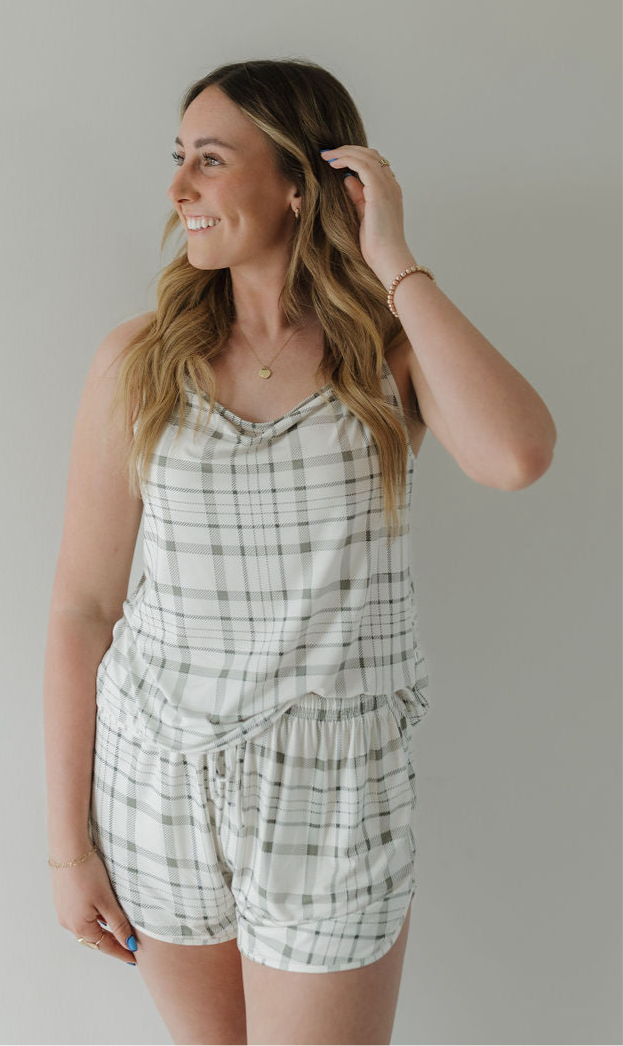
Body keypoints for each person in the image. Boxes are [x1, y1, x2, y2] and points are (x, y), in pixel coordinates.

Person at [44, 58, 556, 1046]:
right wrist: (68, 850)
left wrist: (393, 254)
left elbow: (517, 454)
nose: (177, 188)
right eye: (178, 160)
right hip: (157, 784)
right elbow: (81, 606)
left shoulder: (386, 355)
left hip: (331, 798)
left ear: (297, 182)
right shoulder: (140, 359)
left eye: (208, 159)